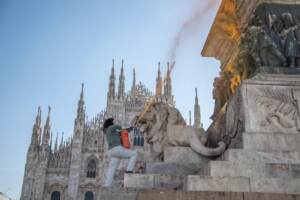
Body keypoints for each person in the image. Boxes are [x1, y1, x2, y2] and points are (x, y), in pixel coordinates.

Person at [102, 118, 137, 187]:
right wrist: (118, 124)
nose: (114, 123)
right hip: (116, 149)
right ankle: (129, 170)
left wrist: (131, 128)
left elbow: (124, 131)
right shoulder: (111, 128)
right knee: (134, 154)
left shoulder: (110, 131)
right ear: (111, 123)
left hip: (111, 151)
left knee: (112, 168)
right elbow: (119, 127)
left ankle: (107, 185)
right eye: (113, 122)